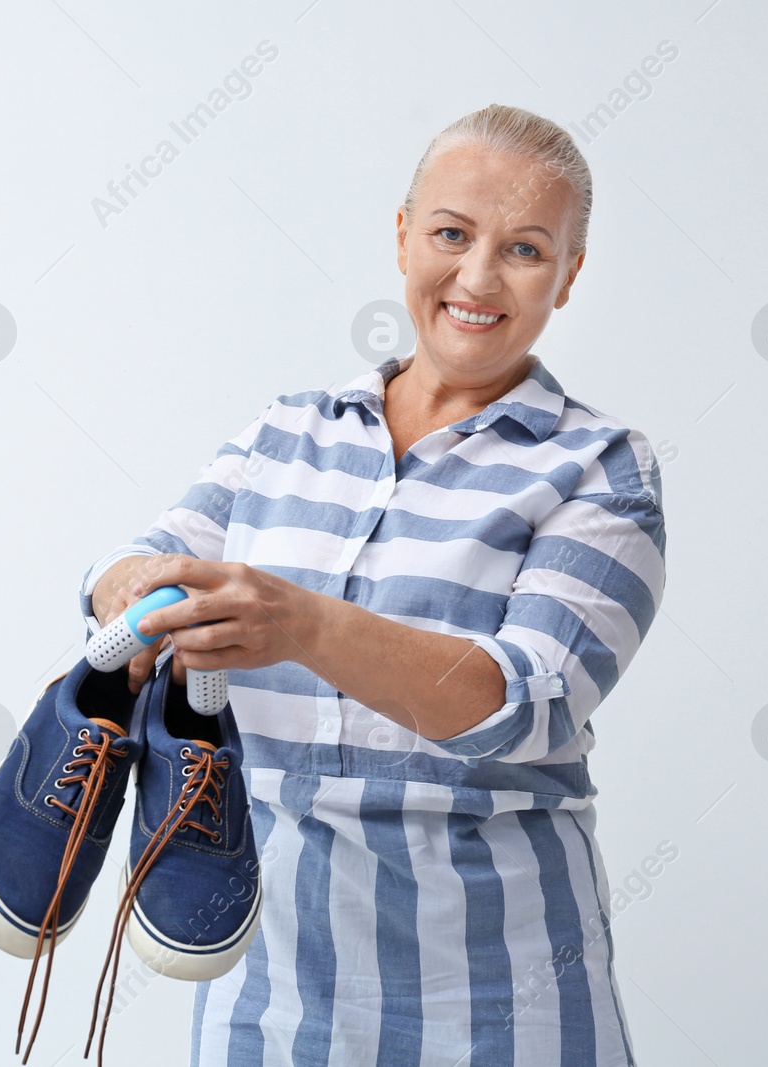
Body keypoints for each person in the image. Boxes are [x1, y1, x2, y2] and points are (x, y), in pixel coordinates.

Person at [79, 103, 666, 1066]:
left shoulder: (600, 467)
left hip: (499, 995)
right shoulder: (286, 433)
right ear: (403, 238)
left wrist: (300, 623)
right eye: (451, 233)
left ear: (569, 275)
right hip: (267, 986)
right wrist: (139, 602)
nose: (478, 277)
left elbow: (530, 704)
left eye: (524, 248)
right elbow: (124, 569)